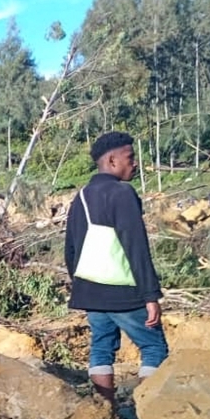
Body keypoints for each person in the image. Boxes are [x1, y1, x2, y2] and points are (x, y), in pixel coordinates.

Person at [64, 131, 169, 402]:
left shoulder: (82, 196)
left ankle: (105, 411)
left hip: (90, 291)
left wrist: (82, 287)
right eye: (130, 157)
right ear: (112, 161)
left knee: (101, 348)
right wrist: (150, 296)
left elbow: (71, 249)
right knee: (154, 347)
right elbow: (136, 247)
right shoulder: (123, 193)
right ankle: (146, 413)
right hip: (124, 292)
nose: (134, 164)